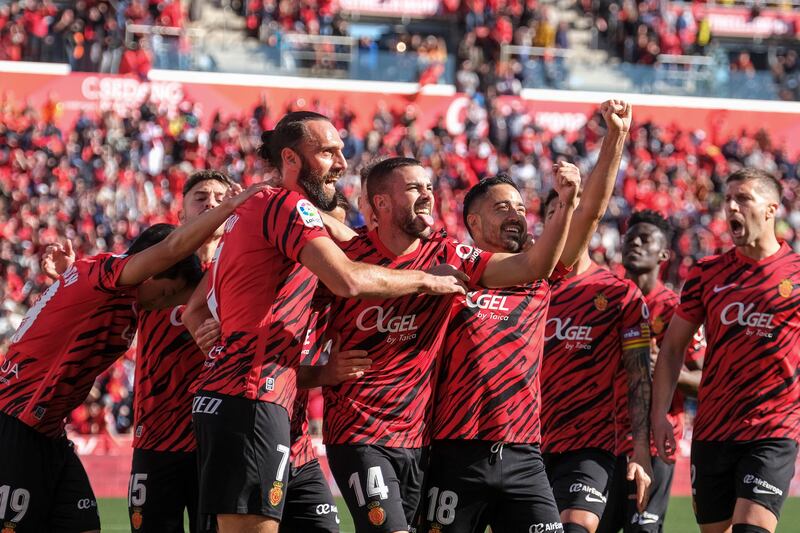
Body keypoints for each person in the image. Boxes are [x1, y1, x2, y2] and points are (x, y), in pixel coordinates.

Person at [182, 111, 468, 533]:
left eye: (340, 151)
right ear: (291, 159)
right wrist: (428, 280)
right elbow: (349, 278)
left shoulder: (260, 209)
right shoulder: (283, 204)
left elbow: (195, 310)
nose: (341, 162)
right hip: (250, 398)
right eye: (328, 152)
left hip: (274, 405)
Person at [304, 154, 580, 533]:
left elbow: (533, 267)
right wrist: (320, 372)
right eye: (415, 188)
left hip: (418, 440)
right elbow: (281, 338)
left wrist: (565, 205)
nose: (428, 196)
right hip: (358, 432)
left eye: (430, 187)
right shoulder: (346, 261)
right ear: (381, 202)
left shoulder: (449, 255)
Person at [0, 182, 266, 532]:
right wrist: (234, 205)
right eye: (170, 294)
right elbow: (172, 247)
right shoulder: (107, 274)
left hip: (50, 433)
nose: (167, 305)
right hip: (15, 424)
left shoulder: (117, 297)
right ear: (153, 271)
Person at [421, 99, 634, 533]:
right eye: (503, 208)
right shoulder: (447, 271)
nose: (518, 215)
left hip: (523, 455)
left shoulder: (540, 275)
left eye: (521, 208)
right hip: (455, 452)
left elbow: (590, 214)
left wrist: (615, 137)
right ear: (474, 223)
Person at [652, 168, 800, 533]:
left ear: (770, 209)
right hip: (713, 430)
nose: (731, 206)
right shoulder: (707, 273)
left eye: (743, 198)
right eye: (728, 199)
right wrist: (658, 416)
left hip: (773, 430)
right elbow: (672, 348)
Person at [540, 192, 653, 533]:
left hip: (591, 445)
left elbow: (638, 378)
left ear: (590, 225)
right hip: (526, 444)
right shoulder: (524, 287)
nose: (562, 222)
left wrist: (640, 451)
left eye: (572, 214)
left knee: (577, 527)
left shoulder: (622, 295)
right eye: (553, 214)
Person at [599, 210, 704, 533]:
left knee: (642, 530)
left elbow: (704, 381)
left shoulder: (676, 309)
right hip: (601, 440)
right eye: (630, 238)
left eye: (646, 238)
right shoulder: (602, 301)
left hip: (655, 443)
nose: (636, 243)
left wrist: (665, 370)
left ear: (664, 253)